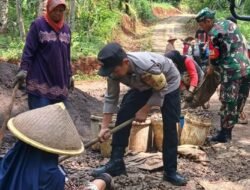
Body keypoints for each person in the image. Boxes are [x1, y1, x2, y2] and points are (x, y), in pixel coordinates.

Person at [91, 42, 187, 186]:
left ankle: (170, 171)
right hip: (144, 84)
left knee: (170, 125)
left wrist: (145, 109)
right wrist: (105, 126)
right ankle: (116, 162)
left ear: (125, 62)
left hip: (168, 83)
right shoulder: (113, 71)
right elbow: (111, 97)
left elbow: (160, 88)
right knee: (124, 112)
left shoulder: (145, 66)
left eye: (115, 70)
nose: (113, 74)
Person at [0, 0, 73, 189]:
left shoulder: (66, 29)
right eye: (55, 9)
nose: (58, 13)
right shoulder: (38, 25)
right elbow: (29, 50)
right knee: (39, 132)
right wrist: (24, 70)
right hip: (40, 87)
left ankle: (47, 167)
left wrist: (70, 75)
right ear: (48, 9)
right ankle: (23, 167)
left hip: (60, 87)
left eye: (61, 10)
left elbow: (67, 54)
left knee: (54, 132)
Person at [196, 8, 250, 143]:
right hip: (246, 69)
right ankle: (229, 128)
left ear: (208, 21)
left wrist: (211, 68)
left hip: (231, 71)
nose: (202, 28)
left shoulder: (214, 33)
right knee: (240, 99)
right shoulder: (229, 23)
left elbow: (214, 56)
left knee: (228, 101)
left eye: (202, 25)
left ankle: (225, 134)